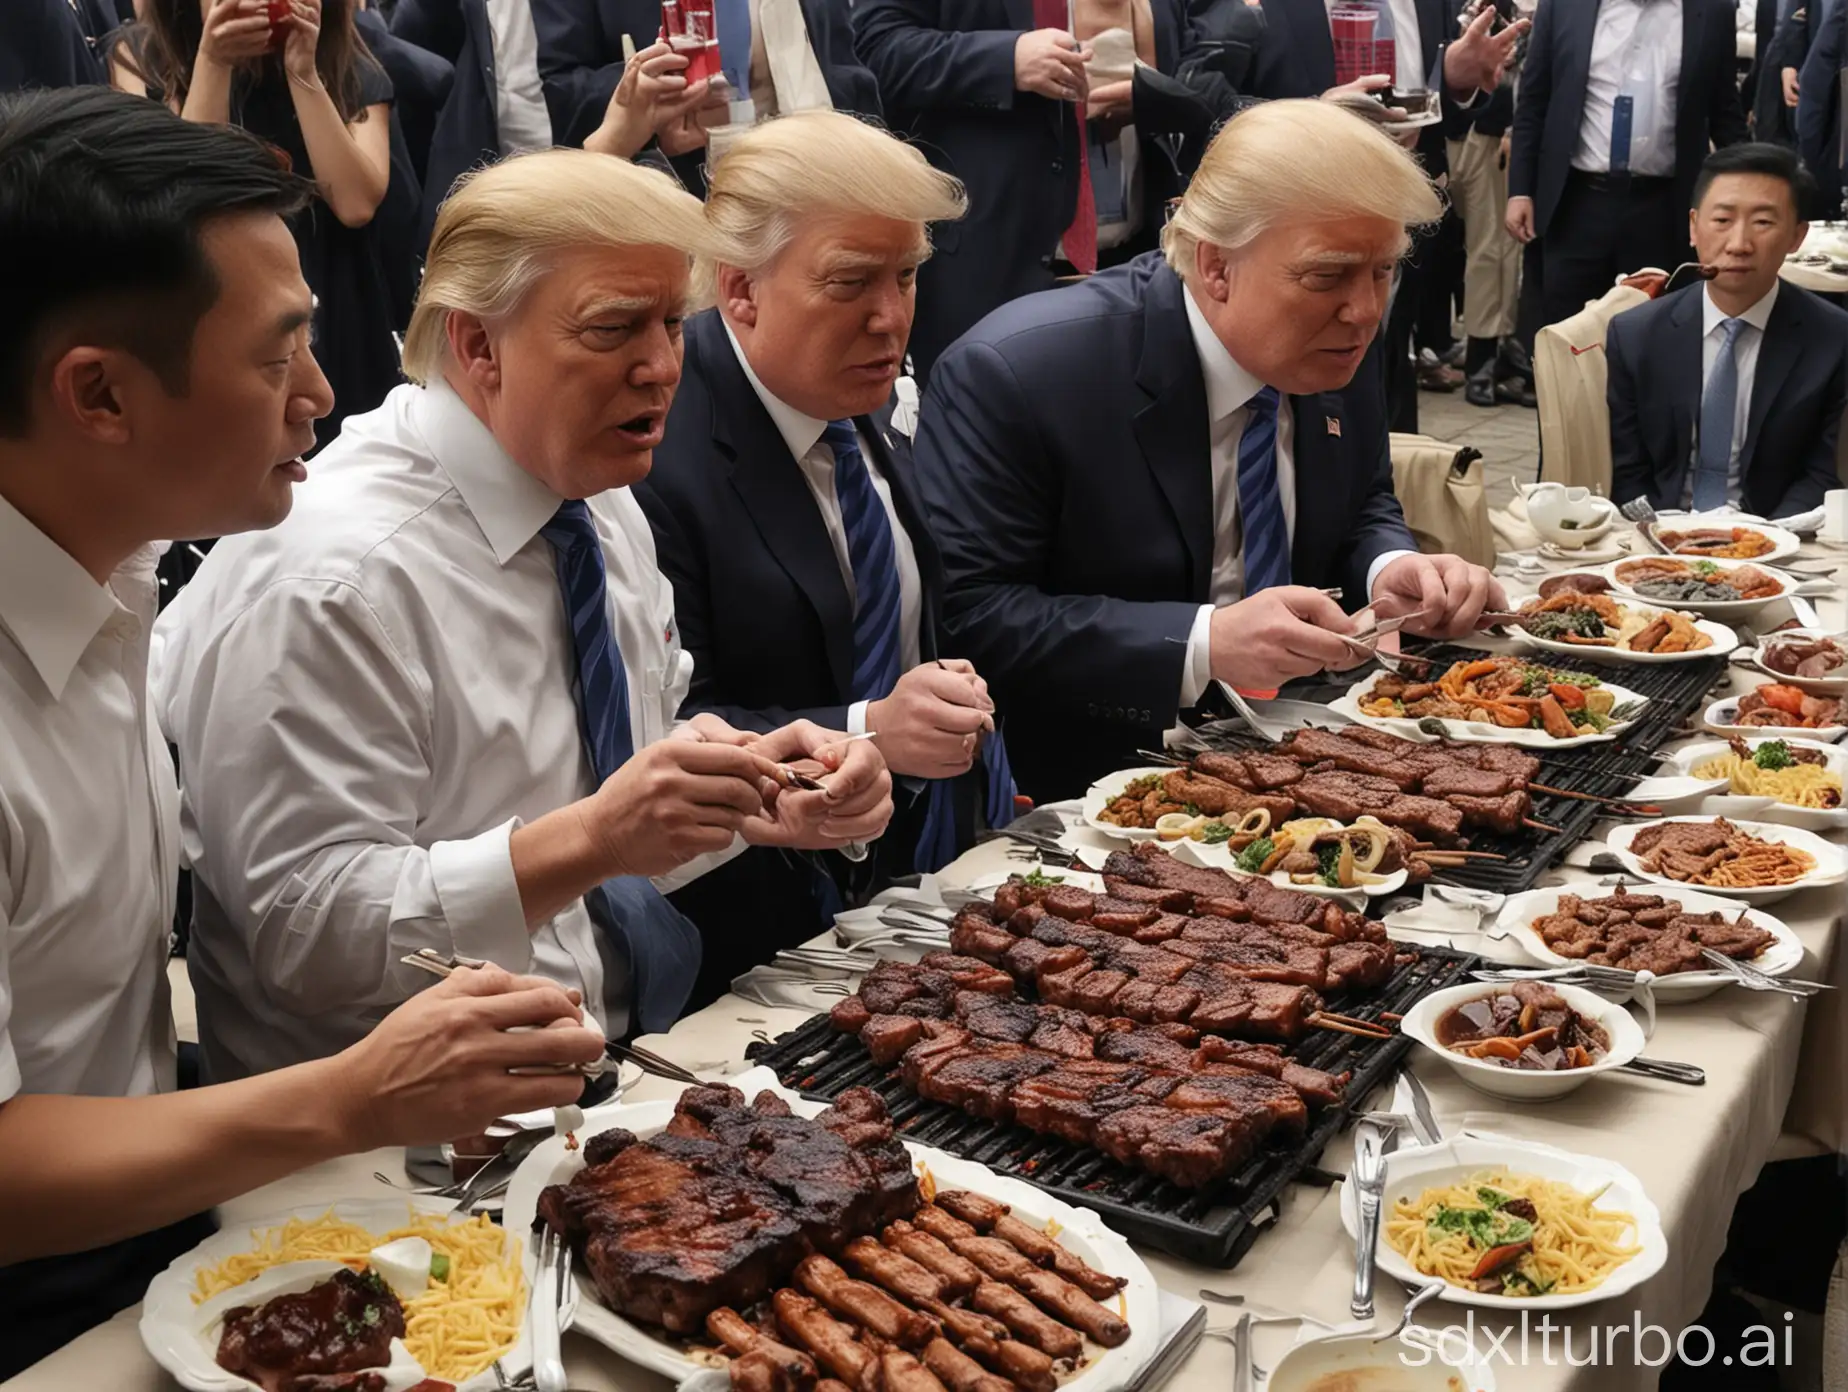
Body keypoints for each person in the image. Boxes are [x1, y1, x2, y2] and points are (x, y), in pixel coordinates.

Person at [0, 87, 605, 1374]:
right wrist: (346, 1096)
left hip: (155, 1226)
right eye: (277, 357)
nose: (322, 398)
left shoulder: (113, 561)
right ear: (99, 395)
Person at [152, 148, 894, 1084]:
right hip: (390, 1157)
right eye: (615, 328)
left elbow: (612, 792)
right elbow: (299, 940)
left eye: (672, 323)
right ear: (475, 345)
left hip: (613, 1063)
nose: (663, 367)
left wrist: (758, 793)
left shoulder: (589, 493)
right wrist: (592, 837)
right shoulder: (332, 577)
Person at [913, 100, 1507, 801]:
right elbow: (974, 617)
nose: (1366, 311)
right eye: (1328, 276)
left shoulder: (1330, 339)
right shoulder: (1024, 374)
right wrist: (1202, 643)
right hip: (1105, 782)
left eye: (1384, 271)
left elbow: (1360, 498)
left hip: (1331, 753)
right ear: (1216, 267)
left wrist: (1393, 565)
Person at [635, 112, 1011, 1004]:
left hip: (915, 891)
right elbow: (660, 725)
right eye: (849, 282)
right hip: (742, 944)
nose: (891, 317)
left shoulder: (862, 399)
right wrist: (867, 727)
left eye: (909, 275)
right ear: (739, 291)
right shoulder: (654, 455)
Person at [115, 0, 404, 444]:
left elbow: (355, 202)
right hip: (210, 301)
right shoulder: (140, 57)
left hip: (336, 297)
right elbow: (182, 207)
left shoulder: (345, 54)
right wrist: (214, 62)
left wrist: (303, 73)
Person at [1253, 0, 1525, 427]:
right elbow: (1209, 93)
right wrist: (1313, 115)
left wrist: (1452, 80)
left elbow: (1441, 117)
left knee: (1388, 378)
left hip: (1405, 214)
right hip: (1295, 224)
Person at [1607, 143, 1848, 519]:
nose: (1738, 245)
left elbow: (1822, 472)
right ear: (1693, 227)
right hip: (1662, 537)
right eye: (1722, 221)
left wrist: (1765, 541)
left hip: (1776, 538)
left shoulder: (1833, 338)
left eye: (1764, 222)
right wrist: (1662, 538)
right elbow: (1628, 473)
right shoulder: (1636, 335)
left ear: (1797, 237)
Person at [1505, 0, 1749, 332]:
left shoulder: (1712, 11)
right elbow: (1534, 102)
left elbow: (1725, 112)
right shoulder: (1563, 6)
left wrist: (1756, 191)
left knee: (1654, 336)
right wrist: (1520, 190)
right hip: (1576, 203)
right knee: (1568, 337)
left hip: (1663, 209)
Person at [529, 0, 878, 191]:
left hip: (814, 172)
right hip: (673, 193)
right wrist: (657, 93)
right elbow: (563, 85)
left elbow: (839, 58)